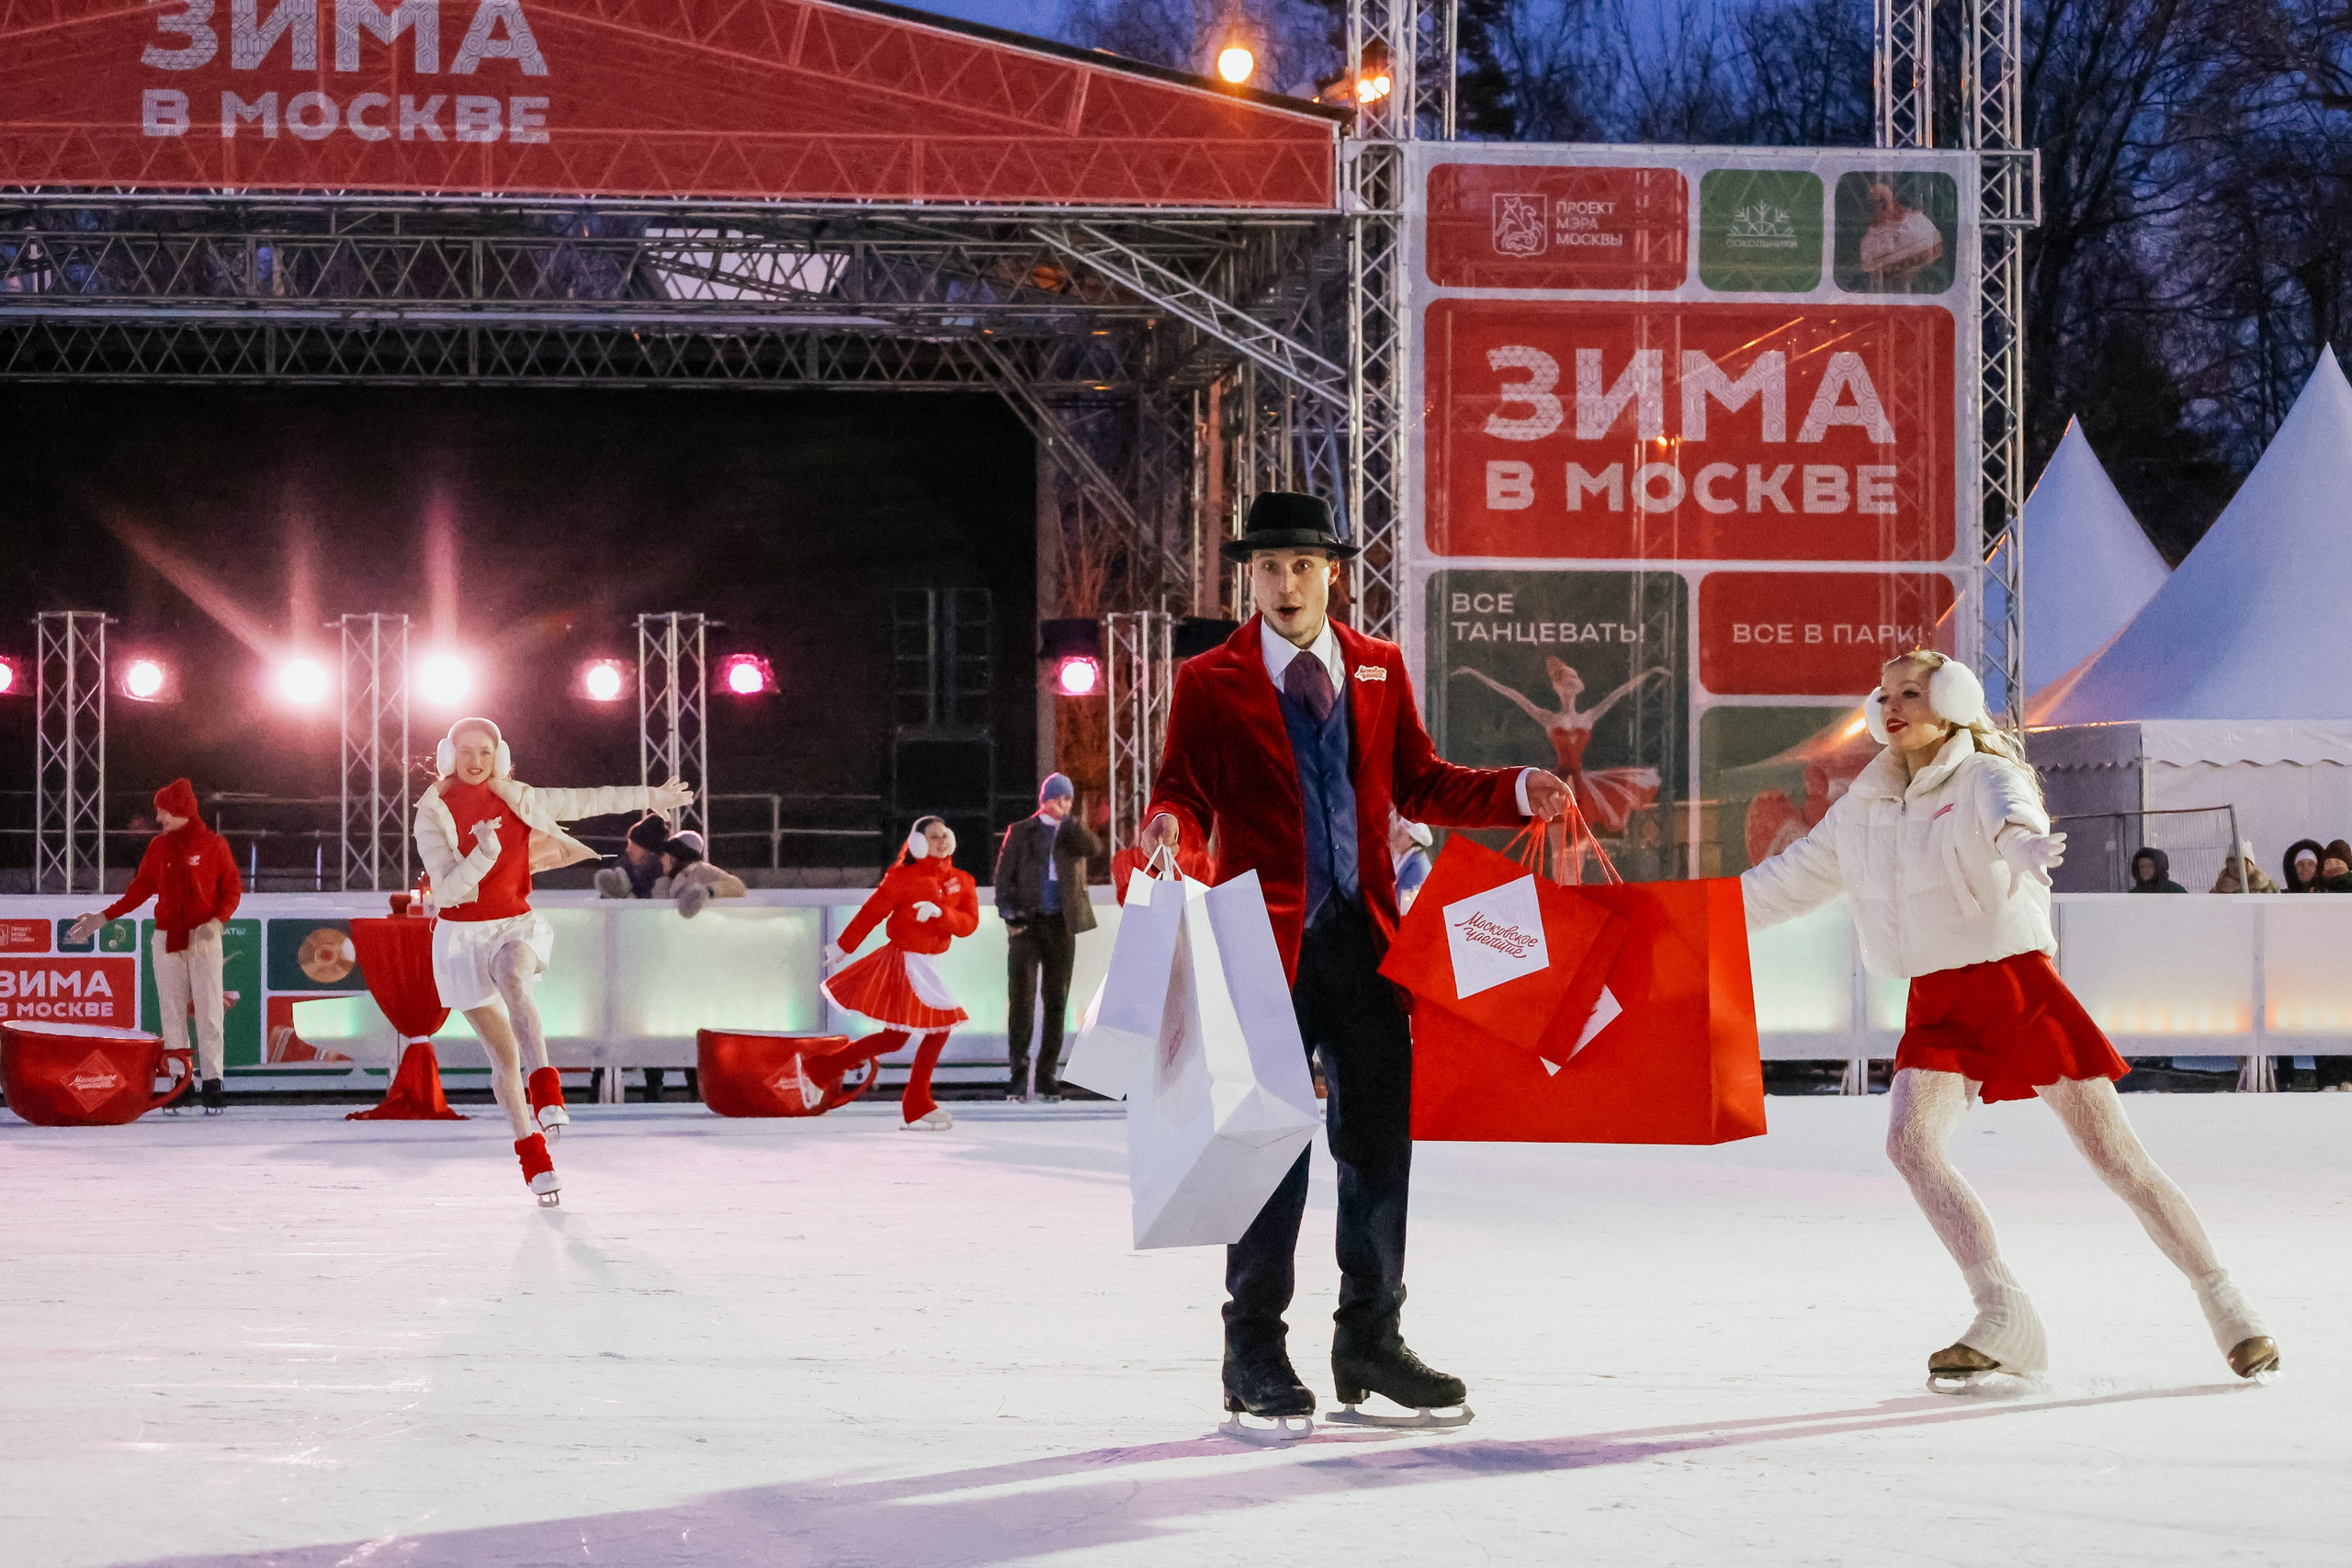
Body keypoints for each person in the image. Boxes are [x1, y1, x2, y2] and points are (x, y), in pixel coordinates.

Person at [1144, 491, 1572, 1434]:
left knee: (1378, 1147)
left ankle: (1368, 1341)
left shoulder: (1376, 668)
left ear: (1333, 573)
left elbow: (1418, 779)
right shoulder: (1209, 680)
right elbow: (1179, 783)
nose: (1284, 582)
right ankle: (1252, 1348)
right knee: (1265, 1149)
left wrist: (1513, 788)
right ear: (1246, 577)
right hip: (1260, 937)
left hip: (1369, 942)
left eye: (1301, 565)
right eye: (1267, 567)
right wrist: (1166, 824)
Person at [1742, 649, 2278, 1386]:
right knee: (1910, 1143)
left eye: (1913, 692)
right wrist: (1697, 916)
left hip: (2014, 987)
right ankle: (2003, 1312)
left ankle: (2230, 1306)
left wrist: (2025, 844)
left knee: (2117, 1158)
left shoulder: (1985, 774)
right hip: (1938, 997)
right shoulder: (1862, 809)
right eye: (1885, 693)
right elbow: (1781, 883)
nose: (1893, 705)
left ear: (1954, 701)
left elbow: (2010, 815)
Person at [414, 716, 692, 1206]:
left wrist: (654, 795)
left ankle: (547, 1089)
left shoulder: (520, 796)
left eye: (484, 752)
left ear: (498, 756)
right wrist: (486, 851)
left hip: (512, 925)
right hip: (461, 938)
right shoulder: (432, 811)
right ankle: (533, 1155)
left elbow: (589, 799)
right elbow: (447, 890)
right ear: (447, 755)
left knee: (514, 979)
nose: (475, 762)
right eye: (465, 753)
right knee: (503, 1060)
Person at [69, 779, 243, 1115]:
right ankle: (182, 1080)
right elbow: (138, 892)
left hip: (203, 937)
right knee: (172, 1011)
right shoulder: (159, 849)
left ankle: (213, 1081)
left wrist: (218, 922)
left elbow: (232, 890)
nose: (159, 818)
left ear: (180, 811)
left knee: (209, 1010)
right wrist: (101, 919)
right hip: (166, 937)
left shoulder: (214, 845)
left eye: (163, 811)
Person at [823, 817, 980, 1130]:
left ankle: (826, 1065)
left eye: (944, 835)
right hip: (907, 962)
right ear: (918, 843)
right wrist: (844, 947)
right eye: (933, 837)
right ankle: (917, 1100)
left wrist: (941, 914)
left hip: (929, 964)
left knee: (896, 1038)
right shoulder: (902, 878)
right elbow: (872, 912)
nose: (942, 841)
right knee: (941, 1026)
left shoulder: (963, 880)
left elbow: (969, 924)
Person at [1452, 657, 1665, 836]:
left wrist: (1649, 673)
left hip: (1580, 781)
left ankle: (1574, 884)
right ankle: (1558, 883)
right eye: (1566, 681)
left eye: (1572, 680)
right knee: (1555, 831)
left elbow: (1618, 694)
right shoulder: (1549, 718)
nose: (1569, 685)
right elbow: (1512, 694)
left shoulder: (1588, 716)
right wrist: (1475, 673)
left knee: (1580, 832)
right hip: (1560, 778)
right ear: (1558, 686)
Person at [993, 773, 1102, 1101]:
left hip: (1061, 924)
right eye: (1058, 798)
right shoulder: (1022, 831)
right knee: (1022, 1001)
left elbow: (1094, 848)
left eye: (1068, 799)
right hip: (1027, 923)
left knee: (1057, 1001)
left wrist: (1071, 823)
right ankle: (1017, 1074)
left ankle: (1046, 1076)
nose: (1063, 804)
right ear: (1045, 799)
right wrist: (1009, 914)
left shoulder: (1071, 833)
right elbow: (1003, 878)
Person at [1859, 179, 1944, 285]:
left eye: (1882, 201)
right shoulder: (1872, 240)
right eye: (1876, 201)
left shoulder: (1914, 223)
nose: (1879, 203)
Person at [651, 829, 747, 918]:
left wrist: (707, 890)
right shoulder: (663, 879)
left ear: (678, 855)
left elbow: (737, 886)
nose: (661, 859)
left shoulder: (700, 870)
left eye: (665, 854)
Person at [594, 814, 674, 899]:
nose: (628, 849)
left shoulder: (664, 877)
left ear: (650, 851)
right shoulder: (620, 872)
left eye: (634, 845)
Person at [1388, 814, 1433, 913]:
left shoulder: (1418, 866)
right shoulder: (1405, 858)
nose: (1394, 837)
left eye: (1399, 833)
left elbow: (1405, 906)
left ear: (1412, 840)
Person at [2211, 842, 2279, 894]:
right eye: (2231, 860)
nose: (2235, 865)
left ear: (2249, 863)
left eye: (2239, 860)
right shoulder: (2218, 892)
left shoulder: (2270, 888)